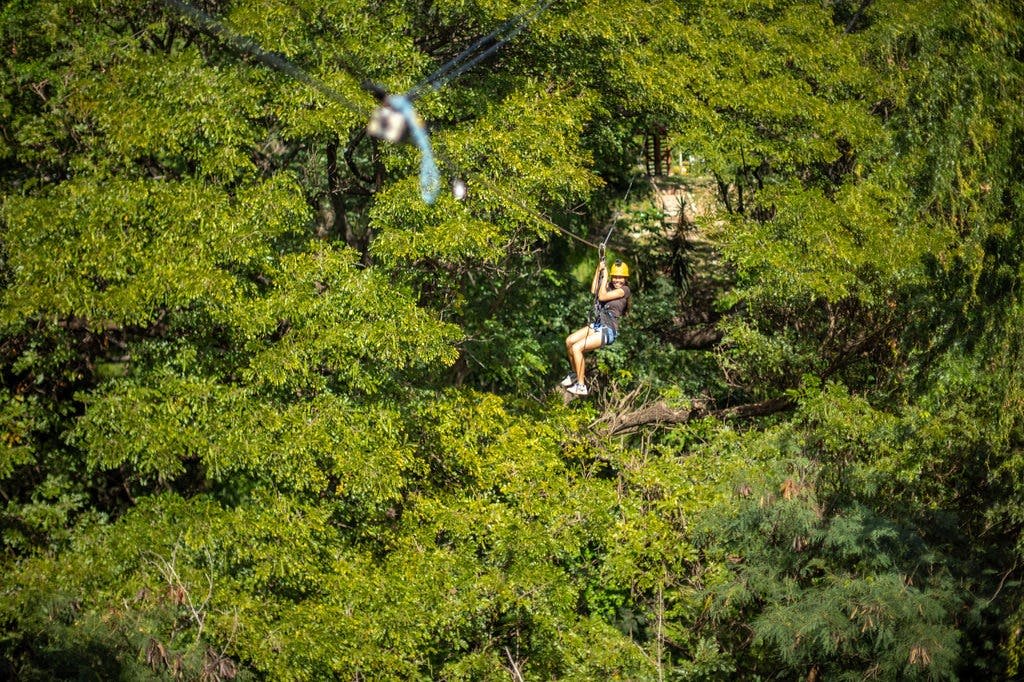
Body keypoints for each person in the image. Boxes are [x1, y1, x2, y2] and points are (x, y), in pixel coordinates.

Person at [562, 258, 631, 396]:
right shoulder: (610, 285)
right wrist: (598, 269)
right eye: (615, 277)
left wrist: (605, 275)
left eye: (620, 277)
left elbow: (602, 296)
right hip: (598, 324)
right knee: (569, 341)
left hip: (608, 329)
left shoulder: (624, 290)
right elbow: (595, 290)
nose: (617, 280)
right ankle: (576, 374)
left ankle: (581, 386)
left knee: (577, 348)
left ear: (625, 278)